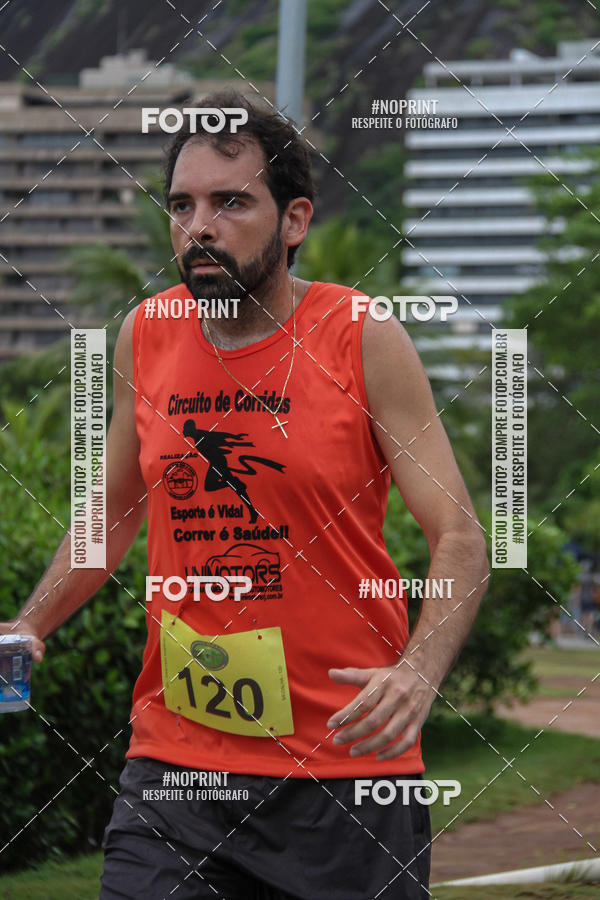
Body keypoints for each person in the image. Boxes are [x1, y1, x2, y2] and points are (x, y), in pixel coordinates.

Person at [2, 89, 489, 899]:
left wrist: (419, 674)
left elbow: (462, 536)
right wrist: (31, 620)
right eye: (183, 205)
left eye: (230, 202)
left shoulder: (362, 335)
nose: (199, 227)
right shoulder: (145, 332)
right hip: (178, 769)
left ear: (293, 221)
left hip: (345, 771)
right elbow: (118, 508)